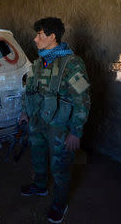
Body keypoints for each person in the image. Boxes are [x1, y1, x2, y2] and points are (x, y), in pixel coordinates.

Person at [19, 17, 91, 223]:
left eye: (40, 35)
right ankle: (40, 187)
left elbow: (82, 97)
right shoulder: (37, 63)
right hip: (37, 121)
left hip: (60, 125)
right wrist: (25, 112)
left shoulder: (72, 63)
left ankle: (60, 203)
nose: (35, 39)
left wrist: (76, 130)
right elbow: (29, 90)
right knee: (38, 157)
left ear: (52, 37)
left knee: (60, 166)